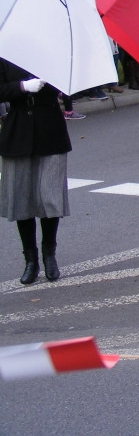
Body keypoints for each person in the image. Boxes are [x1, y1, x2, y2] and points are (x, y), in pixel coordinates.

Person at [0, 60, 69, 284]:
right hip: (17, 130)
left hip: (50, 129)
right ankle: (30, 260)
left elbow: (70, 87)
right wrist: (22, 87)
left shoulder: (53, 52)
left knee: (50, 197)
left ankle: (50, 254)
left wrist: (55, 82)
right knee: (23, 199)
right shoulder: (6, 52)